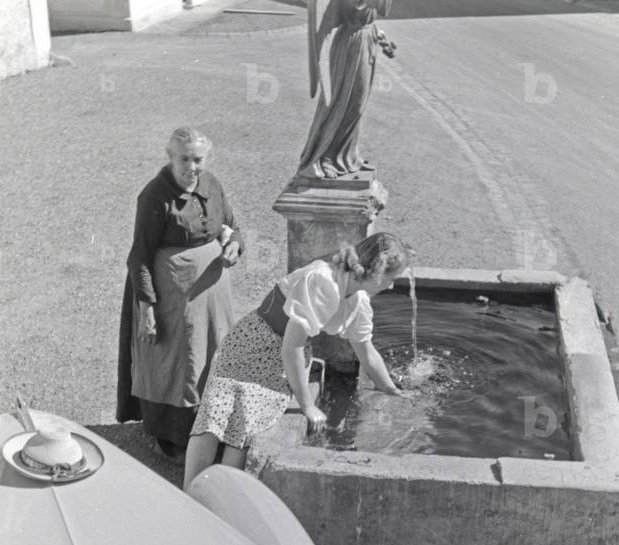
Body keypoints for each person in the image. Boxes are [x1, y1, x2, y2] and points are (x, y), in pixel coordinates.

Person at [183, 233, 410, 490]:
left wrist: (390, 388)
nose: (391, 286)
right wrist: (307, 405)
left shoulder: (357, 300)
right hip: (253, 342)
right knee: (214, 414)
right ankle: (190, 493)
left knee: (245, 423)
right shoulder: (323, 281)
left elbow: (366, 351)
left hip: (283, 357)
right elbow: (292, 345)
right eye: (391, 279)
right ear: (376, 273)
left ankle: (220, 495)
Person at [116, 127, 243, 461]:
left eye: (198, 159)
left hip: (212, 295)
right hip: (172, 297)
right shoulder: (155, 196)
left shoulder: (212, 184)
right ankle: (175, 440)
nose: (192, 167)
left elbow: (232, 224)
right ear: (171, 158)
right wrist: (147, 309)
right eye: (184, 159)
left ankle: (212, 431)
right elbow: (139, 256)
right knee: (177, 364)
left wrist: (234, 244)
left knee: (211, 357)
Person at [299, 0, 396, 179]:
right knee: (340, 103)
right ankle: (323, 157)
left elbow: (380, 9)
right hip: (351, 46)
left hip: (367, 39)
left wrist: (378, 35)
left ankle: (347, 155)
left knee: (357, 106)